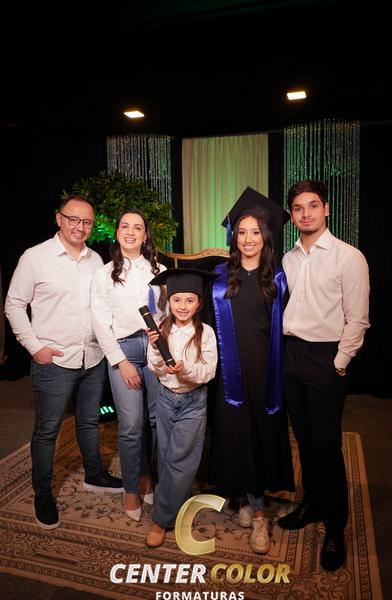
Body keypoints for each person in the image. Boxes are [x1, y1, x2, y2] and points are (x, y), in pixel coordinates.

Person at [4, 195, 123, 530]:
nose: (80, 227)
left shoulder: (95, 260)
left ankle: (95, 475)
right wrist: (34, 347)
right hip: (53, 361)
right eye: (73, 219)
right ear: (59, 219)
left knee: (88, 422)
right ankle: (43, 495)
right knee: (47, 431)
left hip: (92, 358)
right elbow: (14, 304)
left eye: (87, 222)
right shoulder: (35, 257)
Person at [278, 179, 370, 572]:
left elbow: (358, 318)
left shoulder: (349, 257)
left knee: (326, 444)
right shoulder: (288, 259)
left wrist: (339, 363)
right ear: (292, 215)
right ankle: (312, 503)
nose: (306, 214)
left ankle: (335, 527)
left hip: (326, 359)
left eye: (313, 205)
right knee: (303, 439)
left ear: (326, 209)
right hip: (291, 355)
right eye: (298, 208)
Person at [209, 187, 295, 555]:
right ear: (234, 237)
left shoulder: (278, 278)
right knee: (236, 435)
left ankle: (258, 512)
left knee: (259, 435)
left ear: (266, 236)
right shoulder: (218, 278)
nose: (247, 239)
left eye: (255, 232)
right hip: (230, 372)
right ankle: (248, 499)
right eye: (241, 232)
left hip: (265, 372)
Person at [90, 209, 166, 522]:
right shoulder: (104, 273)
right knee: (132, 425)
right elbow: (99, 322)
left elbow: (166, 313)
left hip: (154, 349)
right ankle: (131, 487)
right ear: (117, 232)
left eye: (137, 227)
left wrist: (162, 339)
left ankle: (148, 475)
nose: (131, 232)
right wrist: (121, 362)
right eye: (125, 226)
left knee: (154, 421)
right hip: (123, 350)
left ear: (145, 236)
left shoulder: (160, 270)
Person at [144, 268, 218, 548]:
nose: (183, 306)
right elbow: (153, 366)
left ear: (198, 303)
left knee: (180, 461)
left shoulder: (205, 333)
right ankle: (180, 505)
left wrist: (185, 368)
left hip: (192, 403)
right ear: (169, 301)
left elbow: (209, 371)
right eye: (177, 300)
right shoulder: (161, 329)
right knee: (166, 457)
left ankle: (160, 520)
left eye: (189, 300)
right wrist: (158, 355)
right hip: (165, 399)